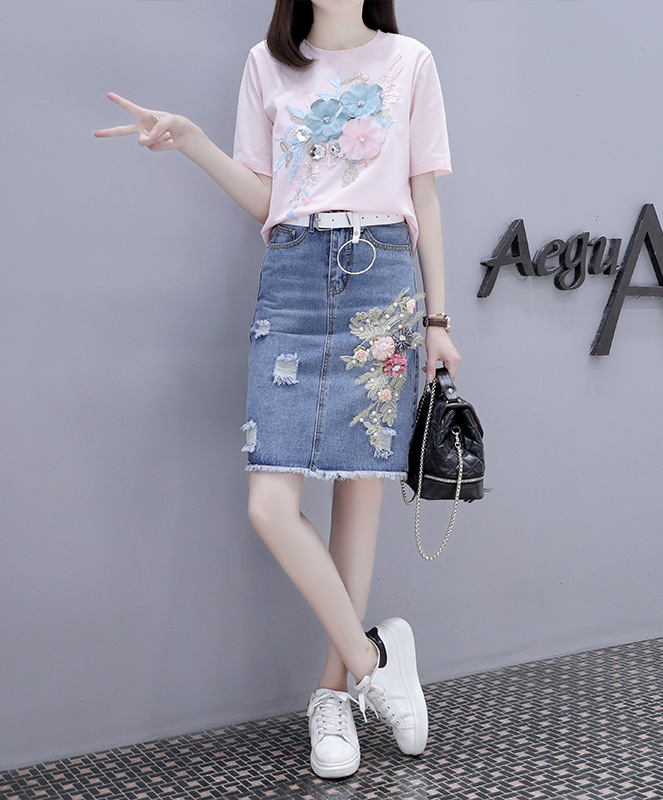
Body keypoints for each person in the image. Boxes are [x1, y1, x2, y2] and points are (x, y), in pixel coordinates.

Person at [95, 0, 460, 780]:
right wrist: (192, 141)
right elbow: (269, 198)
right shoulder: (267, 65)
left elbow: (426, 198)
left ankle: (332, 694)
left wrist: (437, 319)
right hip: (293, 277)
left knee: (358, 490)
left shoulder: (411, 61)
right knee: (270, 502)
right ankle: (373, 662)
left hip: (382, 279)